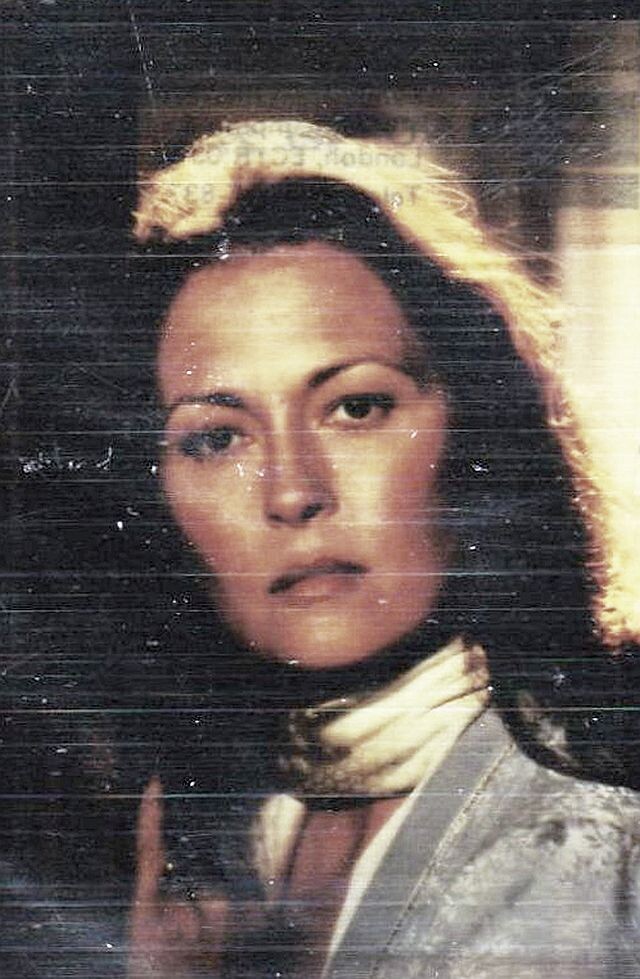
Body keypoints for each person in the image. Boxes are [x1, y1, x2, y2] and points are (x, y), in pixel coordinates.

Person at [126, 120, 640, 978]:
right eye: (217, 437)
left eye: (356, 407)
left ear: (477, 427)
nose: (292, 491)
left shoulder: (598, 830)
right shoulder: (205, 824)